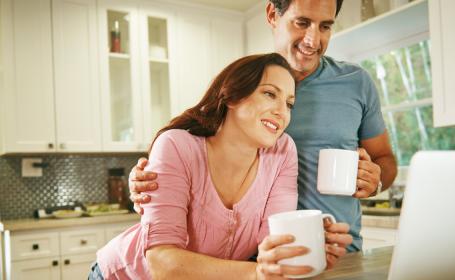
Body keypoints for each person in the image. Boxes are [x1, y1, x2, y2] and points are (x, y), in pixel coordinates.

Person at [129, 0, 397, 252]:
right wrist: (152, 180)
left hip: (339, 248)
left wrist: (375, 181)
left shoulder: (356, 82)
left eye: (325, 26)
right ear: (272, 14)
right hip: (256, 256)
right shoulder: (246, 84)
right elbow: (195, 150)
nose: (313, 40)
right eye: (302, 22)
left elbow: (384, 159)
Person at [90, 53, 352, 280]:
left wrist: (307, 250)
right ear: (232, 96)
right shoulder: (178, 146)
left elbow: (270, 246)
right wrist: (258, 273)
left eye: (289, 103)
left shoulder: (282, 152)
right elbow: (161, 264)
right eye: (270, 94)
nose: (282, 112)